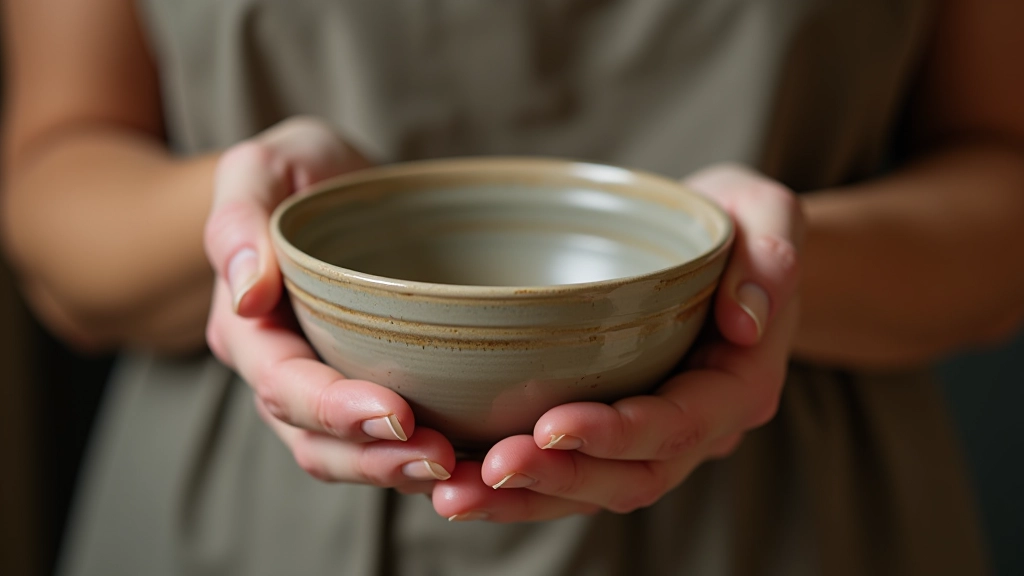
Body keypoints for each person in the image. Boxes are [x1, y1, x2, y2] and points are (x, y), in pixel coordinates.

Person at [2, 0, 1022, 574]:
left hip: (803, 530)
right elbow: (54, 182)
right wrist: (238, 233)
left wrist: (776, 273)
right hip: (235, 533)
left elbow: (1000, 183)